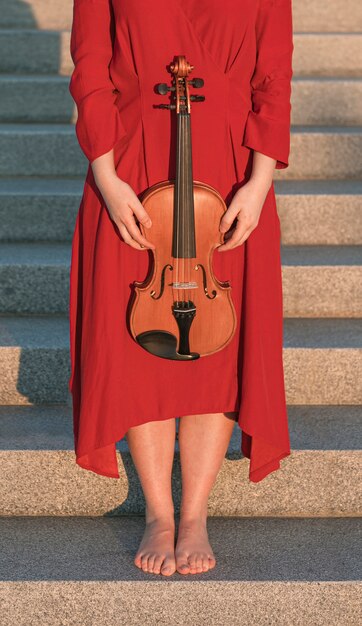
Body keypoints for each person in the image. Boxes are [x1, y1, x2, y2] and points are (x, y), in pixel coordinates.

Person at [68, 0, 294, 577]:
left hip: (229, 168)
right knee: (136, 338)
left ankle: (194, 514)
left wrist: (259, 183)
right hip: (129, 167)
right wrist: (105, 175)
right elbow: (91, 66)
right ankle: (159, 514)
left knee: (216, 344)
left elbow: (274, 75)